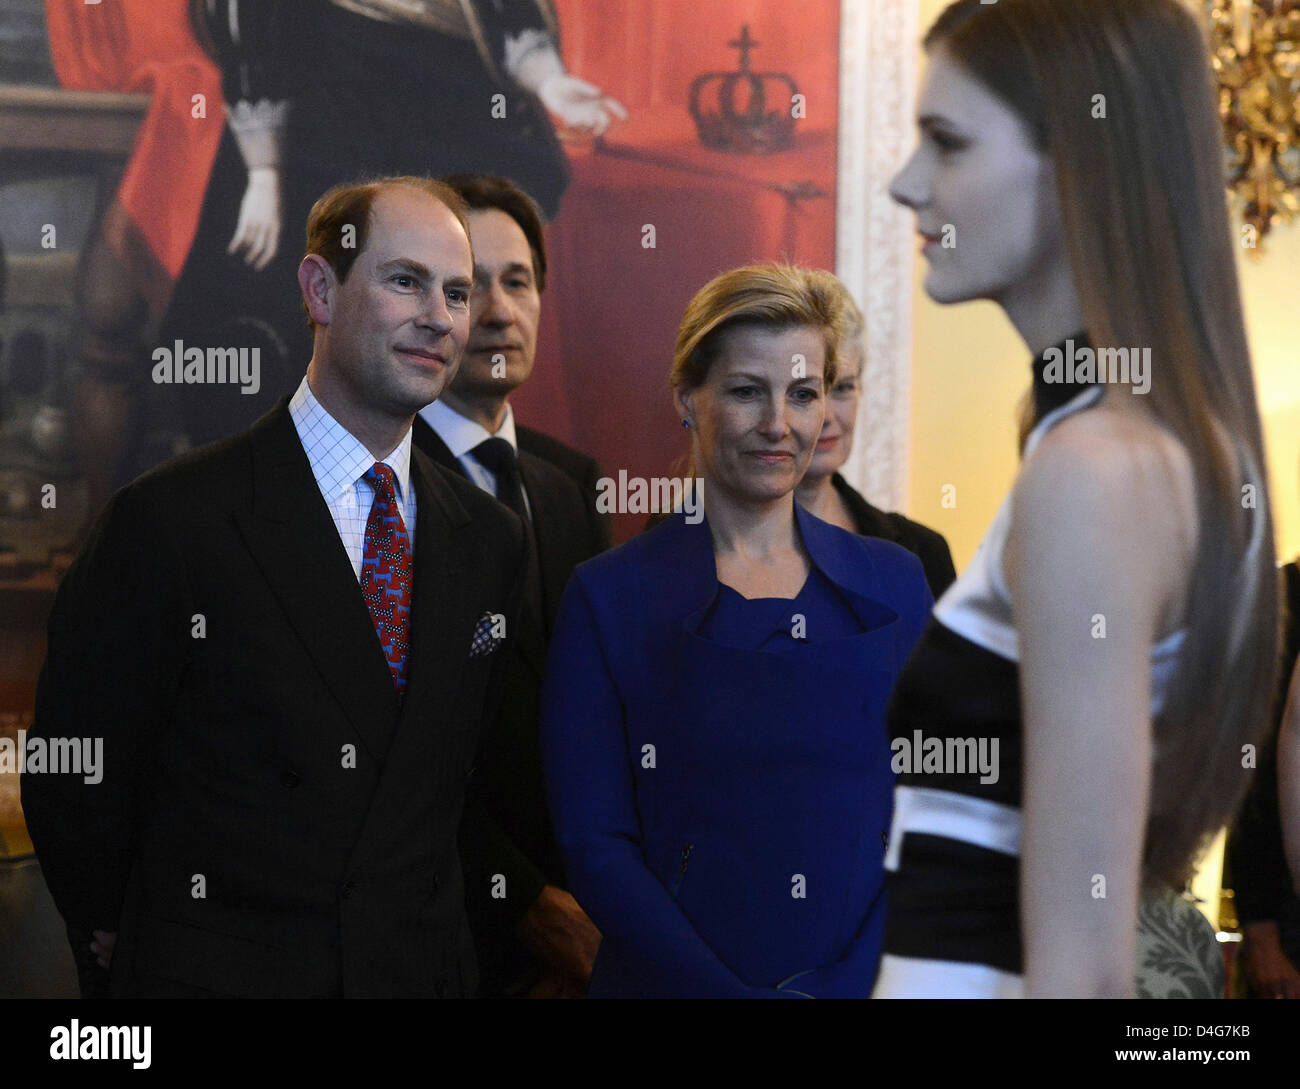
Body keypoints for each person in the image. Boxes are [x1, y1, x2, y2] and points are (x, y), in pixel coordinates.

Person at [21, 176, 528, 998]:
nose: (440, 316)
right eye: (405, 280)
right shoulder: (169, 521)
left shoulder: (489, 540)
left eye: (457, 292)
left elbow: (465, 790)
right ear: (320, 289)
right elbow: (76, 772)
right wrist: (137, 936)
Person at [876, 0, 1276, 998]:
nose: (905, 183)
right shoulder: (1138, 444)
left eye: (948, 141)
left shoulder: (1096, 468)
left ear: (1077, 165)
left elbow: (1085, 976)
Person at [540, 264, 933, 998]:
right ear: (689, 398)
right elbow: (597, 848)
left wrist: (844, 987)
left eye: (804, 393)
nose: (779, 423)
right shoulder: (606, 597)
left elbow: (929, 815)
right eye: (748, 390)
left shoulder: (898, 583)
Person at [412, 173, 609, 997]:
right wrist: (525, 908)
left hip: (575, 932)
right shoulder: (378, 485)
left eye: (517, 279)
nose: (497, 308)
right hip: (433, 932)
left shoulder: (568, 483)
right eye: (467, 286)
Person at [794, 276, 956, 599]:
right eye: (804, 393)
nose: (826, 416)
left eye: (842, 388)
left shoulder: (922, 553)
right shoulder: (682, 546)